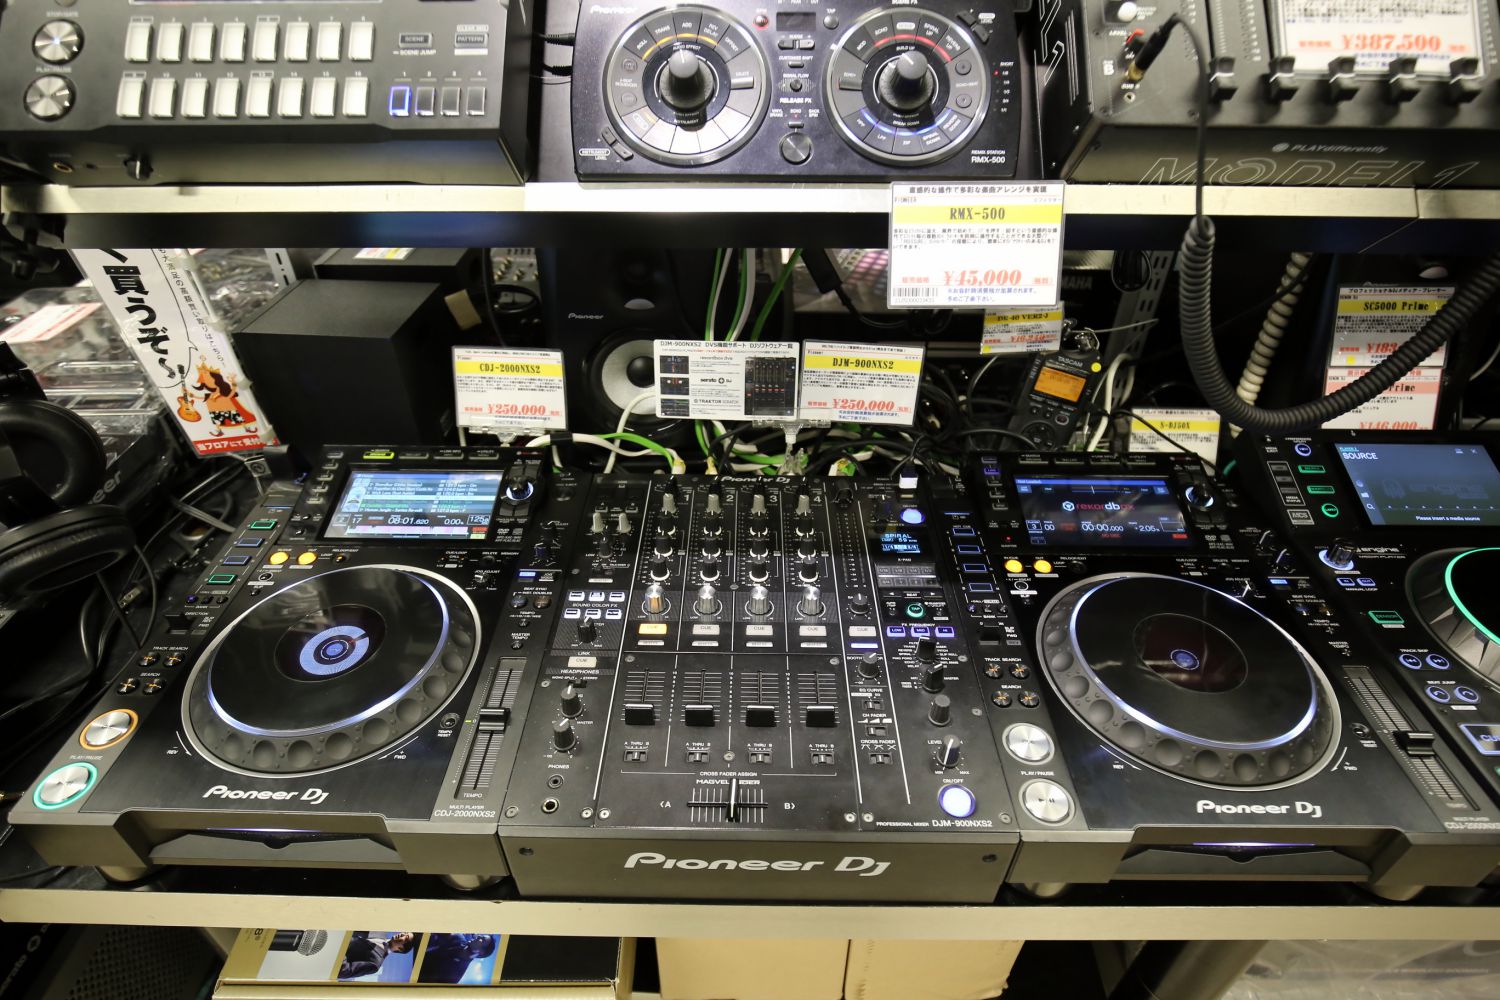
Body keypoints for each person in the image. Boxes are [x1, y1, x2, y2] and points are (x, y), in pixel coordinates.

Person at [417, 933, 497, 984]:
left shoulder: (455, 976)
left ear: (481, 952)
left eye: (482, 939)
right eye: (481, 936)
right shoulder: (457, 937)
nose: (479, 936)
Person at [338, 931, 415, 980]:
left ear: (401, 949)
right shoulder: (379, 930)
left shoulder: (375, 963)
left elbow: (343, 971)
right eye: (405, 932)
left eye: (406, 938)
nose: (402, 934)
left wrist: (340, 946)